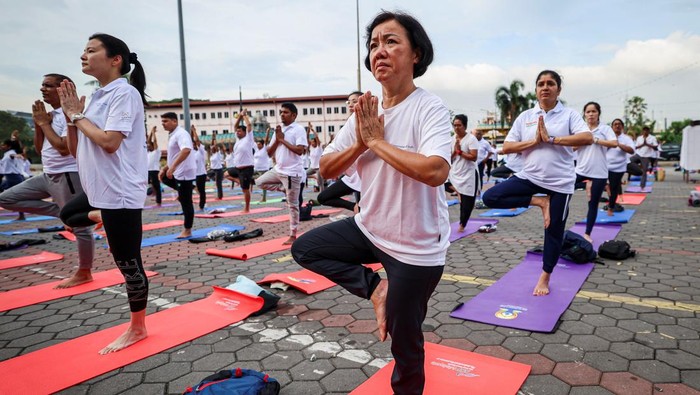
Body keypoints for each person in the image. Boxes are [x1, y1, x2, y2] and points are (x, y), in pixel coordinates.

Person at [292, 12, 451, 394]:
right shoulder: (366, 112)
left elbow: (435, 171)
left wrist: (378, 143)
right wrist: (363, 140)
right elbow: (327, 169)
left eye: (391, 41)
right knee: (307, 249)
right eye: (374, 44)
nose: (380, 51)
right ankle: (375, 288)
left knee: (404, 344)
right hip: (371, 229)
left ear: (416, 54)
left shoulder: (429, 108)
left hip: (416, 248)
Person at [57, 33, 149, 354]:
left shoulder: (124, 94)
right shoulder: (96, 96)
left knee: (128, 263)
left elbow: (110, 142)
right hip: (100, 191)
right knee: (68, 214)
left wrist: (77, 116)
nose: (83, 55)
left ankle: (138, 328)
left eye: (91, 50)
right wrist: (72, 119)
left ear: (115, 60)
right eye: (83, 50)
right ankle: (100, 216)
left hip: (120, 191)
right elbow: (74, 150)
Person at [482, 70, 592, 296]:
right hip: (530, 177)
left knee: (553, 232)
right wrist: (533, 141)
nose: (545, 87)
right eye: (541, 84)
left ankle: (545, 276)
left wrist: (551, 140)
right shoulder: (526, 117)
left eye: (550, 83)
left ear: (558, 90)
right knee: (490, 197)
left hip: (560, 184)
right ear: (536, 90)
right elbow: (508, 147)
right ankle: (540, 202)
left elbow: (586, 138)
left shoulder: (569, 115)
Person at [0, 74, 95, 287]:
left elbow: (63, 148)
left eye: (48, 85)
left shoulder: (70, 115)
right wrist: (38, 124)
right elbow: (39, 148)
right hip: (47, 174)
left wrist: (44, 124)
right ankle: (65, 214)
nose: (43, 89)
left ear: (62, 89)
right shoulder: (49, 116)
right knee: (6, 199)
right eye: (42, 85)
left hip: (68, 175)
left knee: (81, 228)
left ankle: (84, 271)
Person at [255, 102, 307, 244]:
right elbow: (269, 152)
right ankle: (283, 189)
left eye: (285, 112)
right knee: (259, 182)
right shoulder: (279, 131)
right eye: (281, 112)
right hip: (278, 170)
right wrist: (277, 139)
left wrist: (282, 140)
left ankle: (293, 234)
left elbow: (300, 150)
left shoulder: (298, 129)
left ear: (294, 115)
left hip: (292, 172)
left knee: (293, 205)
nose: (282, 115)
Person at [574, 102, 618, 242]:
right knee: (562, 190)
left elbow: (614, 143)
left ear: (598, 113)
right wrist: (584, 140)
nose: (591, 114)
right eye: (588, 112)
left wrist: (596, 140)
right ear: (584, 114)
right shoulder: (580, 129)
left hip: (599, 172)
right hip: (580, 170)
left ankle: (587, 233)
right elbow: (572, 148)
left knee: (593, 203)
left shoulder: (604, 129)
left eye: (594, 111)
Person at [316, 91, 363, 213]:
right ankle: (355, 207)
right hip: (352, 175)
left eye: (355, 101)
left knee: (364, 210)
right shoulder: (349, 123)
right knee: (323, 197)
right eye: (349, 102)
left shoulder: (368, 120)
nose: (351, 104)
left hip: (365, 175)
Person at [159, 112, 196, 238]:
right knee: (164, 178)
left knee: (186, 202)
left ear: (174, 121)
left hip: (184, 172)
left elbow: (186, 150)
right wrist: (165, 168)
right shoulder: (173, 134)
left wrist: (173, 168)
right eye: (162, 122)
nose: (163, 124)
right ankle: (188, 189)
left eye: (165, 121)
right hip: (179, 172)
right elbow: (173, 155)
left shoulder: (181, 134)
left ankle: (188, 229)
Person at [449, 114, 479, 232]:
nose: (456, 128)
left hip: (468, 175)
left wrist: (460, 151)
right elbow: (449, 157)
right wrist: (455, 152)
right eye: (454, 125)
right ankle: (458, 192)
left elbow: (474, 157)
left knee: (468, 204)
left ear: (465, 126)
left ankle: (462, 225)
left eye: (459, 125)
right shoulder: (452, 139)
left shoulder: (471, 139)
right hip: (455, 172)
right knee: (443, 184)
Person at [225, 109, 256, 212]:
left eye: (239, 131)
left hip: (247, 168)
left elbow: (249, 126)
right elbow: (235, 126)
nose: (237, 132)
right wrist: (239, 117)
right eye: (237, 131)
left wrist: (244, 116)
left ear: (244, 132)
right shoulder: (238, 140)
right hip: (237, 168)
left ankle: (247, 208)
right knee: (225, 174)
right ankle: (240, 181)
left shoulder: (248, 138)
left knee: (245, 190)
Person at [606, 118, 635, 215]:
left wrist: (618, 144)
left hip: (618, 168)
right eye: (615, 124)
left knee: (614, 188)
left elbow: (631, 150)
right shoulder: (607, 137)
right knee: (599, 186)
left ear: (622, 127)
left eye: (619, 124)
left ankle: (610, 208)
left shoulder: (626, 138)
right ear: (612, 127)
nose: (617, 126)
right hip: (604, 166)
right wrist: (610, 144)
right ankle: (608, 196)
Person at [191, 126, 207, 211]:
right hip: (194, 174)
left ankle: (202, 205)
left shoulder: (201, 151)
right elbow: (191, 141)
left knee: (201, 190)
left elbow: (196, 141)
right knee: (193, 187)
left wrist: (194, 131)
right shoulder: (192, 152)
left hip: (201, 174)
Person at [252, 128, 272, 202]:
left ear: (262, 144)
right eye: (257, 144)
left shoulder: (264, 148)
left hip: (264, 169)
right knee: (251, 177)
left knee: (263, 183)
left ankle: (264, 198)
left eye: (259, 144)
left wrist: (267, 132)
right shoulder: (256, 149)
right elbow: (252, 140)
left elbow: (266, 140)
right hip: (256, 169)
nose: (258, 145)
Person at [306, 122, 324, 192]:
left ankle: (322, 196)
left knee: (320, 183)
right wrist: (308, 129)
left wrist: (312, 130)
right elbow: (307, 138)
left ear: (316, 143)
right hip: (312, 168)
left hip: (318, 168)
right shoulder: (311, 148)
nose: (312, 143)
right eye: (311, 142)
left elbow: (316, 137)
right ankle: (314, 176)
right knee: (303, 174)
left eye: (313, 142)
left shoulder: (319, 148)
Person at [146, 126, 162, 206]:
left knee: (157, 186)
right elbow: (148, 141)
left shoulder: (156, 152)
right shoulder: (148, 153)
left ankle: (158, 202)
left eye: (150, 146)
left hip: (155, 171)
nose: (148, 146)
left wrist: (153, 133)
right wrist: (151, 131)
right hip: (148, 171)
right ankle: (155, 197)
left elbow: (154, 142)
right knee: (151, 186)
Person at [473, 129, 491, 194]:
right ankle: (473, 190)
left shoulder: (485, 143)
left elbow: (490, 151)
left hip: (480, 163)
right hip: (472, 162)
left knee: (479, 176)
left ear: (481, 135)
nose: (477, 135)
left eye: (479, 134)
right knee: (473, 177)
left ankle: (479, 191)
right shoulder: (473, 141)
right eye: (476, 134)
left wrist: (486, 159)